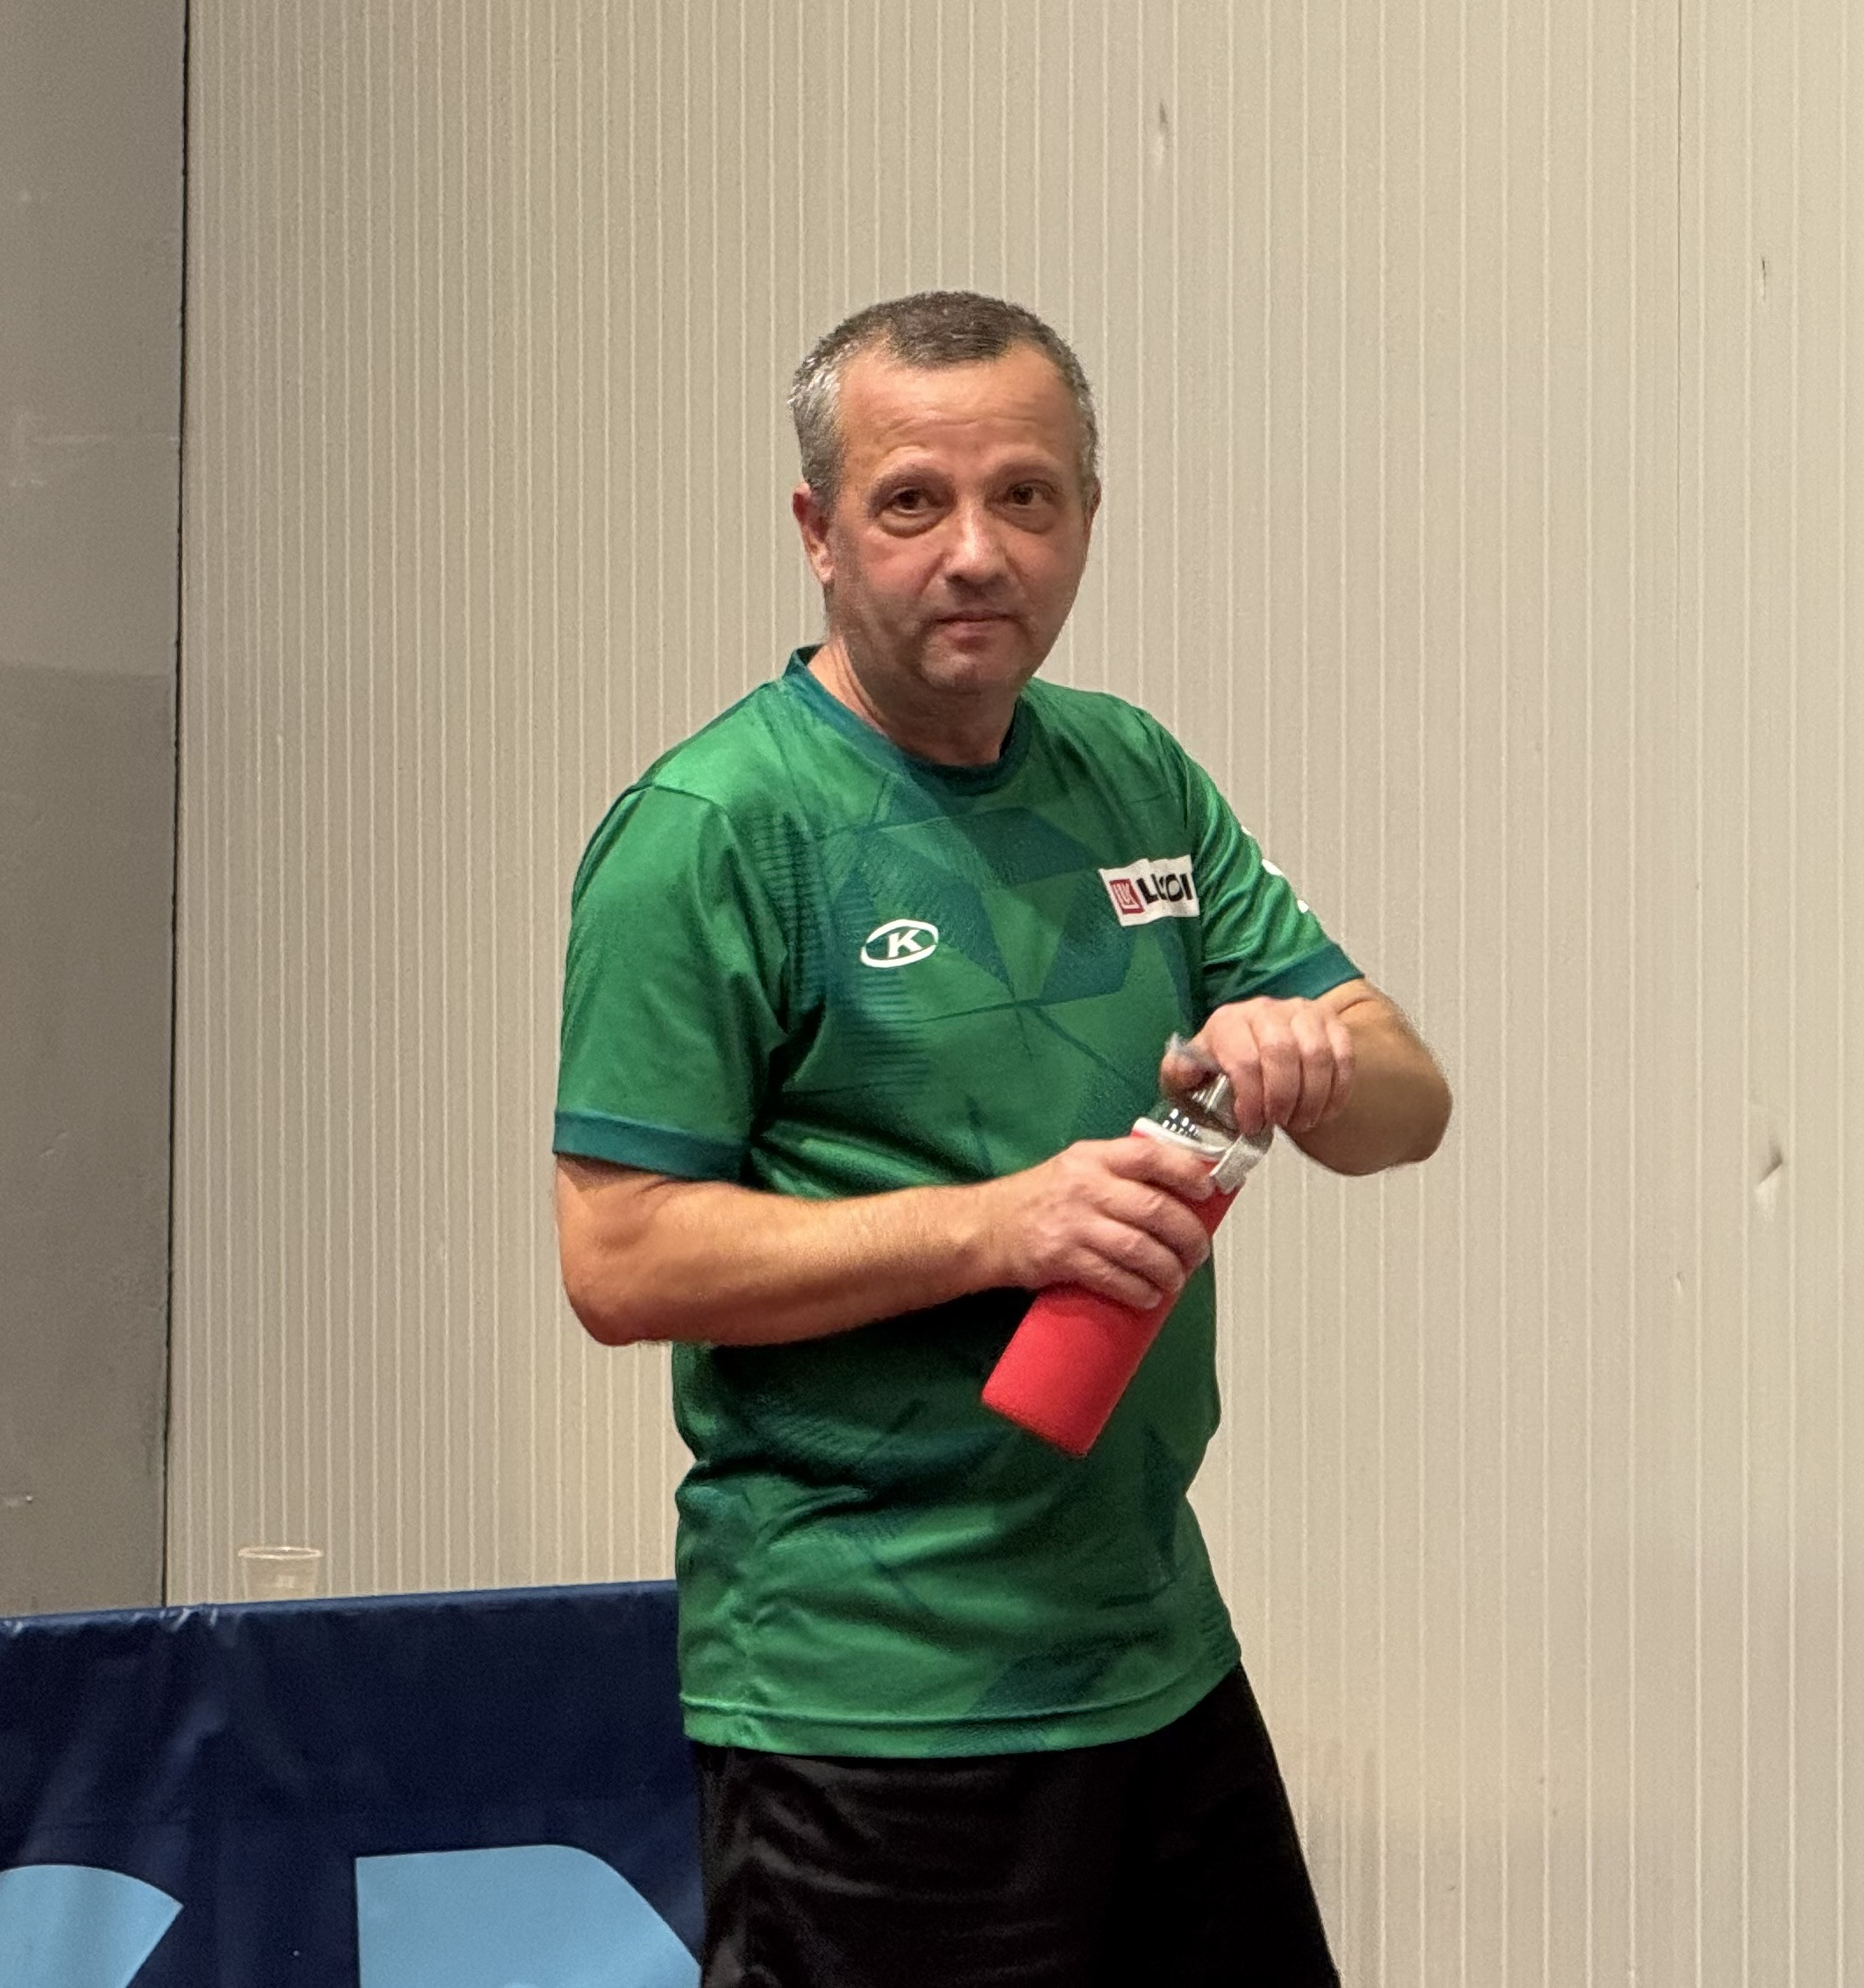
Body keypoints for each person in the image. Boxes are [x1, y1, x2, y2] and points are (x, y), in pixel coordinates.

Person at [551, 289, 1451, 1987]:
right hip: (870, 1701)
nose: (977, 552)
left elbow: (1414, 1105)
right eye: (914, 502)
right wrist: (1001, 1226)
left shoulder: (1132, 774)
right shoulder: (712, 830)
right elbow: (619, 1256)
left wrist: (1315, 1053)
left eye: (1025, 496)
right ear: (818, 532)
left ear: (1087, 515)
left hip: (1156, 1658)